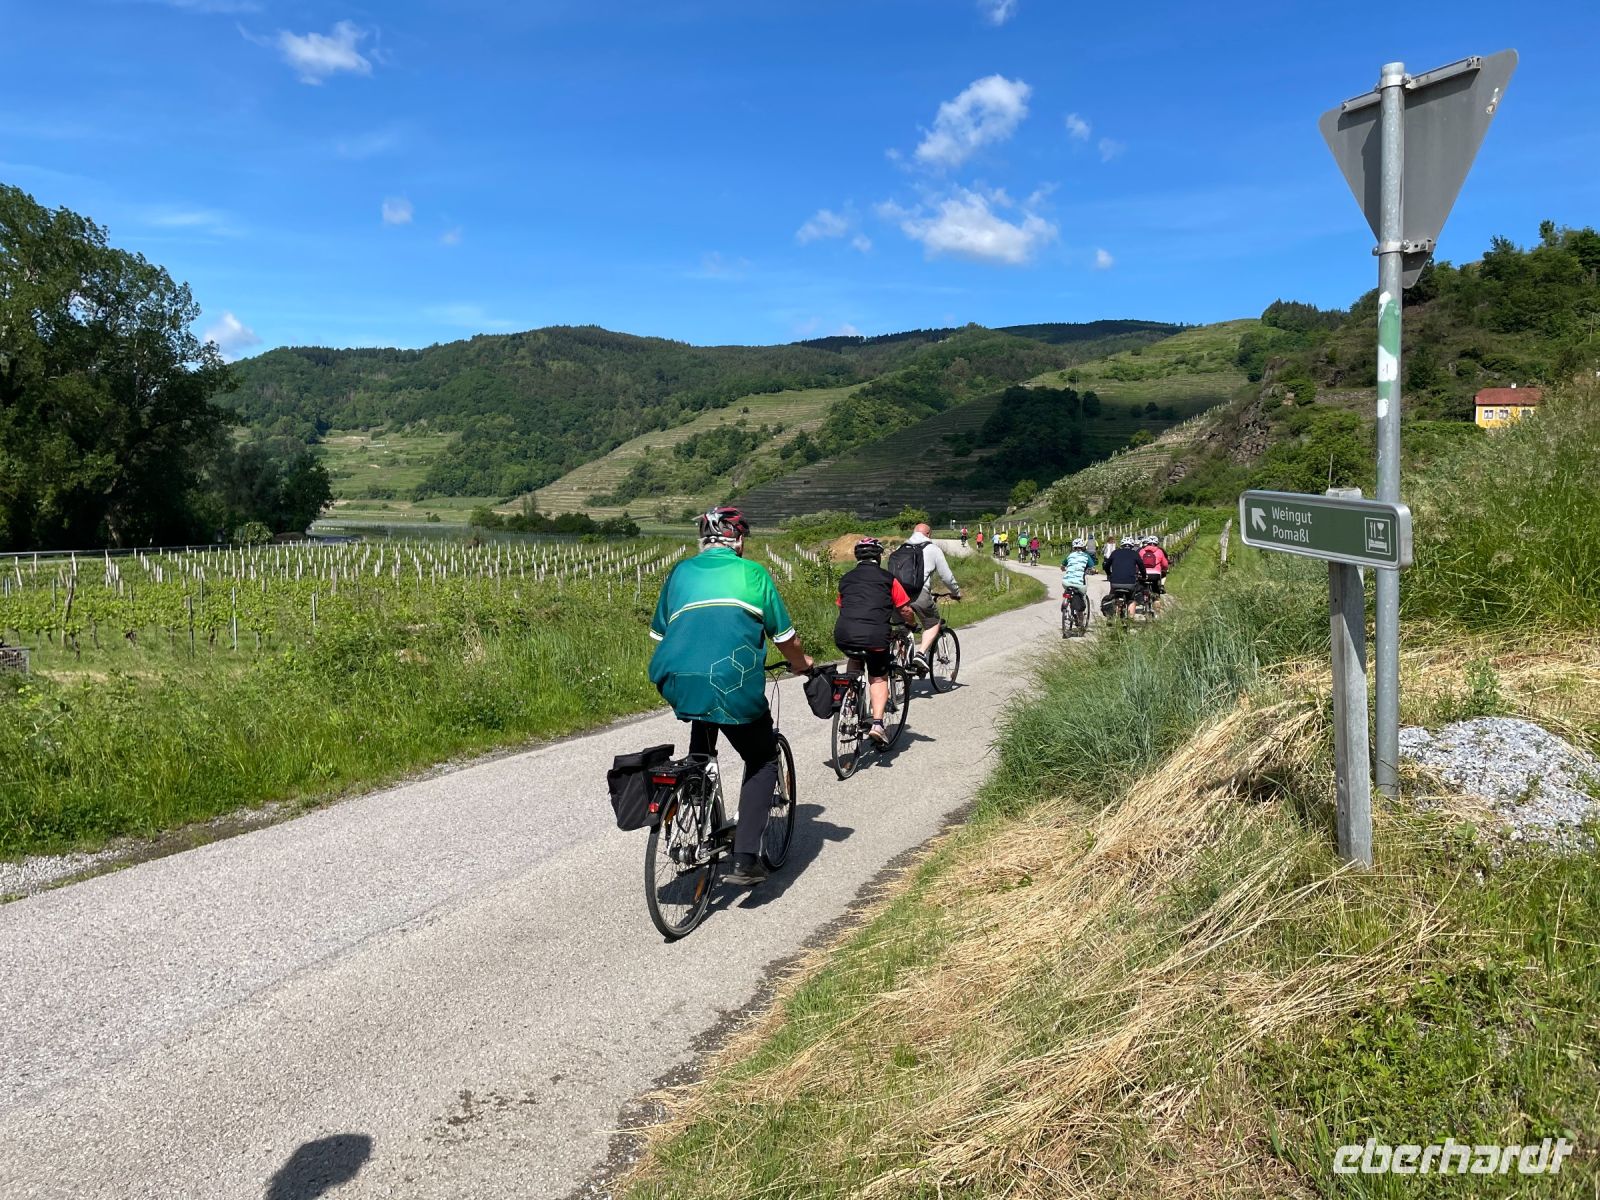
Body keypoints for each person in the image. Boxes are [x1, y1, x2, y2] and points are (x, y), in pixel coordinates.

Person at [649, 505, 812, 886]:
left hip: (675, 677)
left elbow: (659, 634)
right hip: (732, 680)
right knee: (761, 757)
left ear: (702, 540)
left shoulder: (679, 573)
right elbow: (786, 640)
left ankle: (693, 790)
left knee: (703, 734)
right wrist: (802, 664)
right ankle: (745, 859)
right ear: (737, 540)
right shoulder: (752, 574)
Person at [834, 538, 917, 749]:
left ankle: (850, 700)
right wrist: (912, 625)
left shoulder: (846, 578)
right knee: (878, 677)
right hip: (875, 637)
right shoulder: (888, 579)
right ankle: (878, 724)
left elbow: (842, 606)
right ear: (879, 557)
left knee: (855, 656)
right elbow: (905, 609)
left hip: (844, 634)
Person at [896, 522, 962, 675]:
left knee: (903, 627)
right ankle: (920, 655)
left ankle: (898, 659)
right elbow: (946, 577)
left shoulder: (901, 549)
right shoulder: (932, 549)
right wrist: (956, 592)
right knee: (933, 623)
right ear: (929, 534)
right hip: (919, 594)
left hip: (897, 596)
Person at [1102, 536, 1147, 619]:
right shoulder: (1134, 554)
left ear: (1121, 545)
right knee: (1131, 600)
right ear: (1132, 546)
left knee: (1114, 595)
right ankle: (1130, 619)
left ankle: (1113, 615)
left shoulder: (1115, 553)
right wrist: (1144, 576)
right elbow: (1141, 566)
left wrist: (1109, 574)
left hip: (1115, 582)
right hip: (1130, 583)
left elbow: (1106, 565)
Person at [1060, 538, 1095, 628]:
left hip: (1066, 582)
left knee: (1069, 591)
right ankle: (1080, 619)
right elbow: (1092, 568)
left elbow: (1062, 566)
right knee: (1082, 596)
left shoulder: (1070, 555)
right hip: (1079, 583)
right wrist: (1093, 571)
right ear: (1083, 547)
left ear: (1073, 547)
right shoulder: (1086, 556)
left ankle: (1067, 604)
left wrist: (1064, 568)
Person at [1138, 536, 1171, 601]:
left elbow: (1137, 563)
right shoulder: (1159, 551)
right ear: (1157, 543)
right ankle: (1157, 603)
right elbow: (1165, 564)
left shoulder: (1141, 551)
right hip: (1155, 574)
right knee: (1156, 591)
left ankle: (1143, 598)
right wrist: (1165, 569)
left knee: (1142, 585)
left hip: (1144, 574)